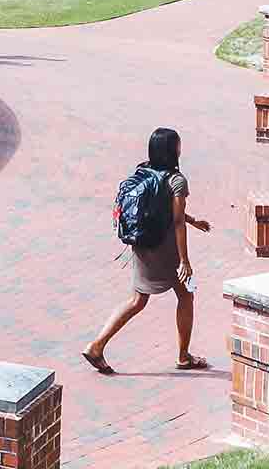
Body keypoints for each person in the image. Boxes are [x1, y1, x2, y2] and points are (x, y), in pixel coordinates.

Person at [82, 127, 214, 375]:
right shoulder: (177, 180)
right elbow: (174, 221)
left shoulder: (143, 171)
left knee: (137, 300)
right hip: (165, 250)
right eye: (178, 145)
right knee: (187, 294)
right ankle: (183, 357)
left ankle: (97, 345)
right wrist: (185, 260)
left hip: (142, 244)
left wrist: (192, 220)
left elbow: (162, 209)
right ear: (173, 150)